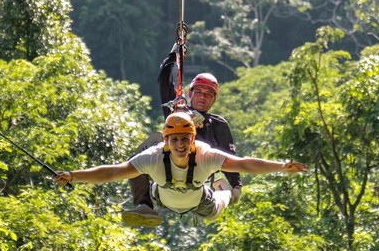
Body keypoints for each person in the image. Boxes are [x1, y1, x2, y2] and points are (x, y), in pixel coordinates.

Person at [54, 112, 307, 226]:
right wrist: (73, 176)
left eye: (185, 139)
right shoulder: (153, 156)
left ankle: (225, 190)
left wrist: (282, 167)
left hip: (201, 203)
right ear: (166, 141)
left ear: (193, 138)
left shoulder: (205, 154)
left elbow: (242, 163)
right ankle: (144, 206)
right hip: (161, 198)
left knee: (223, 201)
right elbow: (112, 172)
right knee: (139, 162)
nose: (180, 145)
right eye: (174, 140)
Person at [124, 47, 242, 225]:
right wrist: (175, 54)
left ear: (214, 100)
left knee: (218, 205)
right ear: (190, 94)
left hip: (199, 189)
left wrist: (236, 185)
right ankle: (144, 203)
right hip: (167, 184)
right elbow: (164, 78)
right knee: (143, 152)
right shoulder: (177, 111)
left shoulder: (217, 125)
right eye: (199, 92)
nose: (203, 97)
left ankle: (222, 190)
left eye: (208, 94)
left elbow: (229, 157)